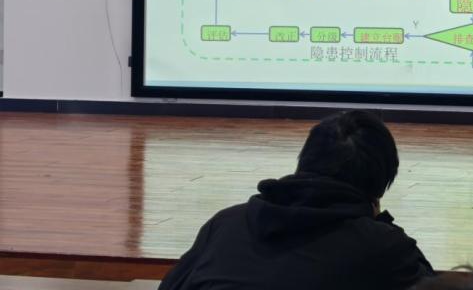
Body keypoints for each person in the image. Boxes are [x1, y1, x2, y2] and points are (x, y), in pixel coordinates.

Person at [158, 110, 434, 290]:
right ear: (380, 184)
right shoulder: (384, 246)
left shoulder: (226, 222)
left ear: (304, 162)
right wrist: (382, 225)